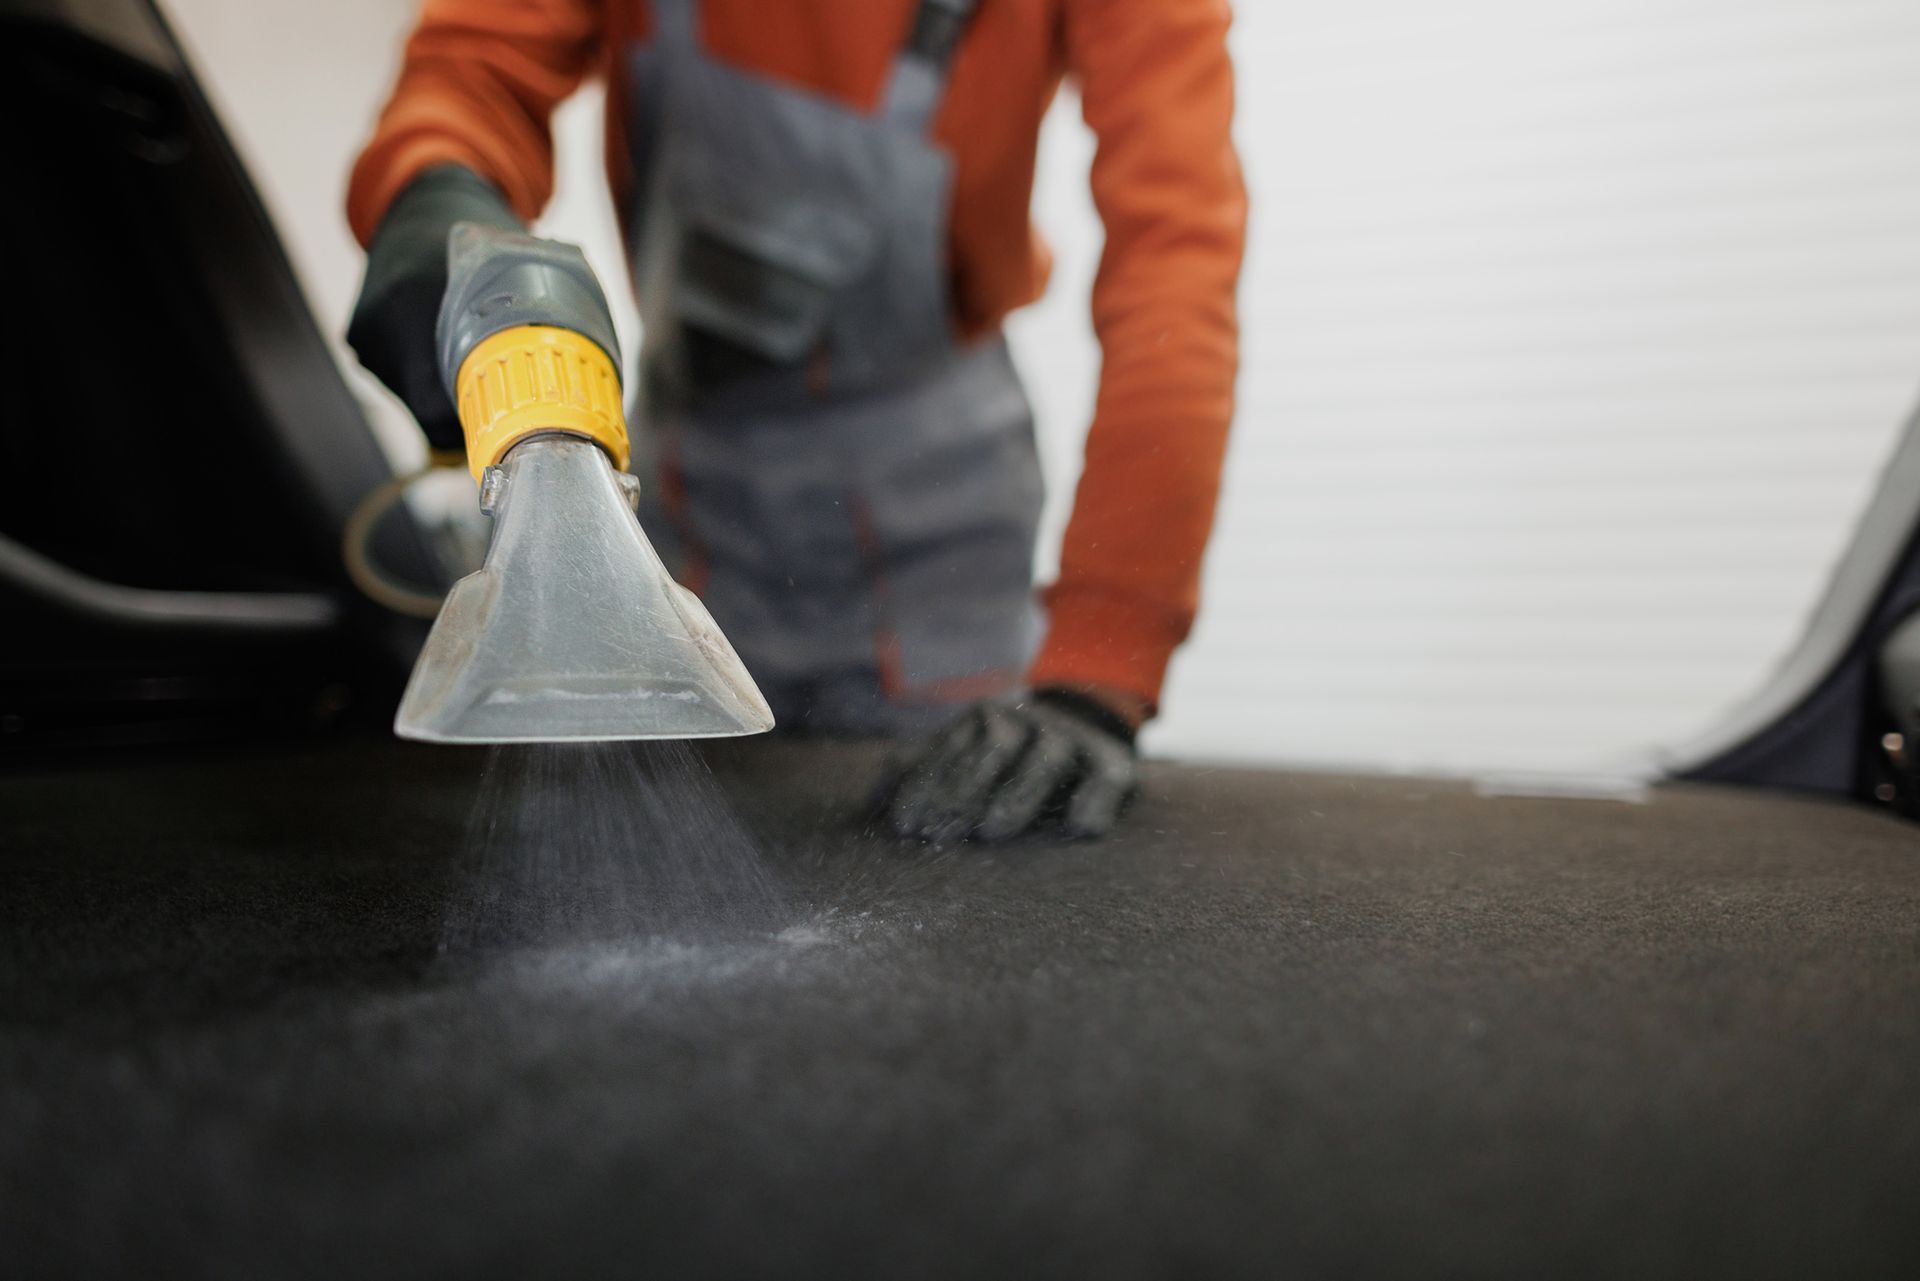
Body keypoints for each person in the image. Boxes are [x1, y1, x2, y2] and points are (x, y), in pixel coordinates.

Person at [346, 0, 1246, 842]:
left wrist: (1105, 651)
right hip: (689, 509)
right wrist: (435, 184)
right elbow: (475, 71)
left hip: (939, 531)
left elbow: (1175, 263)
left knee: (968, 884)